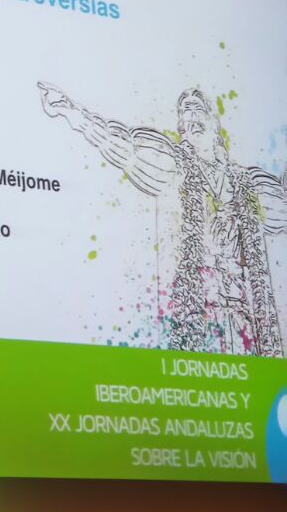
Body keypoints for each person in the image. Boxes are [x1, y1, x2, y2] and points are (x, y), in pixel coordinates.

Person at [38, 82, 286, 356]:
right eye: (185, 112)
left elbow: (282, 204)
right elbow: (126, 148)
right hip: (200, 320)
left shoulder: (246, 184)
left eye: (198, 109)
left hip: (245, 325)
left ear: (214, 122)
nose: (191, 117)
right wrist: (74, 113)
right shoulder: (174, 165)